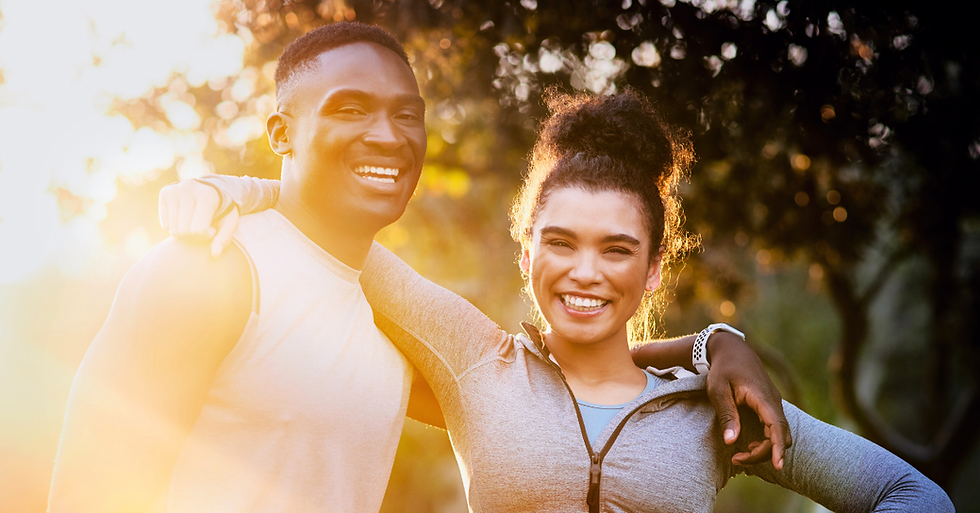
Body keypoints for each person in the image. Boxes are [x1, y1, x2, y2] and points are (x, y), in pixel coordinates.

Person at [50, 23, 788, 513]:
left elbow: (563, 380)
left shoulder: (392, 319)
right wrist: (235, 190)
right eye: (351, 108)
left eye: (408, 114)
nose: (387, 134)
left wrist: (714, 342)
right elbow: (89, 487)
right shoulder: (209, 268)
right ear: (281, 131)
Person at [168, 88, 954, 512]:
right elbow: (331, 229)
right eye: (562, 242)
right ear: (526, 249)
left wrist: (711, 346)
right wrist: (233, 188)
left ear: (652, 271)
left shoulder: (713, 409)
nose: (586, 271)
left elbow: (912, 494)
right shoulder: (474, 358)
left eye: (618, 249)